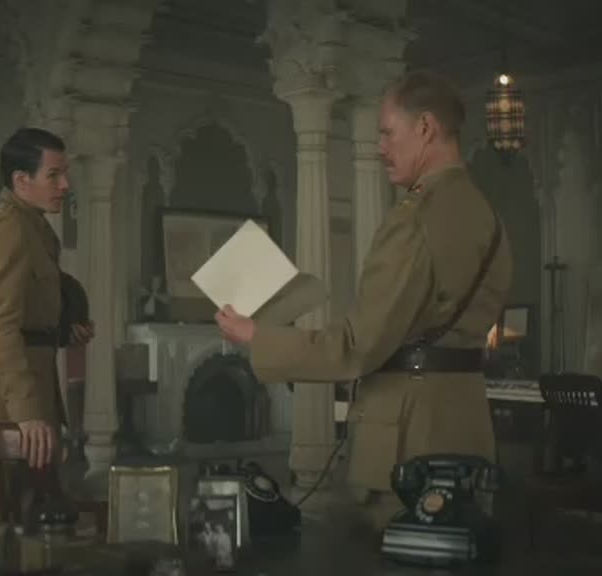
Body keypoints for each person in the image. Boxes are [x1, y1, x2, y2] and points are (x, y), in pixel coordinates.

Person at [214, 69, 511, 531]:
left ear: (425, 128)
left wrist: (258, 337)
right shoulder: (487, 215)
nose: (380, 147)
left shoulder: (413, 220)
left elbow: (358, 345)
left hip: (409, 439)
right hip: (469, 428)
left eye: (388, 133)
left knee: (404, 553)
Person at [0, 127, 94, 469]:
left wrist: (64, 329)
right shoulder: (7, 226)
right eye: (53, 175)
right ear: (21, 180)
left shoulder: (33, 226)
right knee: (0, 500)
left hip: (28, 387)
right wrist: (26, 411)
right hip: (2, 400)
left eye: (65, 174)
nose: (65, 185)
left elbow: (30, 307)